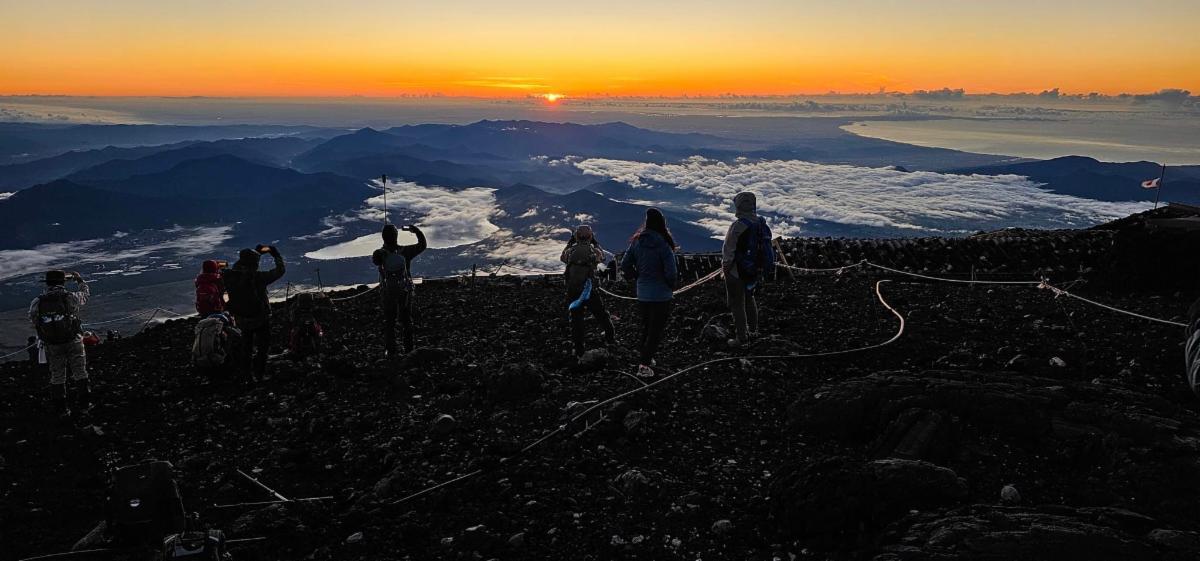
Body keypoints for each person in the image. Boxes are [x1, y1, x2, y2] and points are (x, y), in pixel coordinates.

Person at [620, 208, 679, 377]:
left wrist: (637, 276)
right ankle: (644, 365)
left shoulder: (637, 242)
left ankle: (645, 357)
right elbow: (671, 272)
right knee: (655, 331)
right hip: (661, 294)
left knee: (646, 328)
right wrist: (670, 286)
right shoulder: (664, 244)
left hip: (643, 293)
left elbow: (624, 265)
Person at [28, 270, 90, 415]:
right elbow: (85, 295)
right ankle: (85, 405)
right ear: (63, 282)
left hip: (52, 343)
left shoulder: (37, 301)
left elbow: (33, 319)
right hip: (73, 340)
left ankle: (61, 409)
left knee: (57, 375)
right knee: (80, 371)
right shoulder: (70, 297)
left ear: (47, 284)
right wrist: (79, 280)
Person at [223, 246, 285, 382]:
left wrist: (255, 255)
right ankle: (259, 374)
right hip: (260, 318)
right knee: (263, 347)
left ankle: (247, 376)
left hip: (241, 319)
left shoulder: (231, 276)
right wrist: (275, 254)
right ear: (254, 263)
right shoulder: (258, 277)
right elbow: (280, 270)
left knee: (246, 347)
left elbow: (240, 267)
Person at [721, 192, 774, 347]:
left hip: (737, 270)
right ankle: (753, 330)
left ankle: (741, 338)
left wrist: (725, 270)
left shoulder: (738, 226)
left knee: (737, 303)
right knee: (750, 299)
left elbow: (728, 252)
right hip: (754, 270)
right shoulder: (761, 223)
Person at [561, 225, 617, 358]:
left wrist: (570, 242)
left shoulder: (571, 251)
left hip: (573, 290)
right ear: (590, 236)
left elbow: (562, 258)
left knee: (576, 319)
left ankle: (579, 349)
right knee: (602, 315)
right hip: (589, 290)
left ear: (576, 237)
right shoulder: (594, 251)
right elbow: (602, 257)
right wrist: (595, 242)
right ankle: (610, 339)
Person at [372, 224, 427, 356]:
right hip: (405, 290)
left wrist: (383, 250)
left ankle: (391, 351)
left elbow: (375, 260)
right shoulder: (405, 252)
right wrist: (417, 231)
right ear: (396, 236)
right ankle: (409, 349)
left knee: (390, 322)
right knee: (406, 320)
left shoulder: (381, 254)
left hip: (388, 292)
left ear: (383, 237)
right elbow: (422, 245)